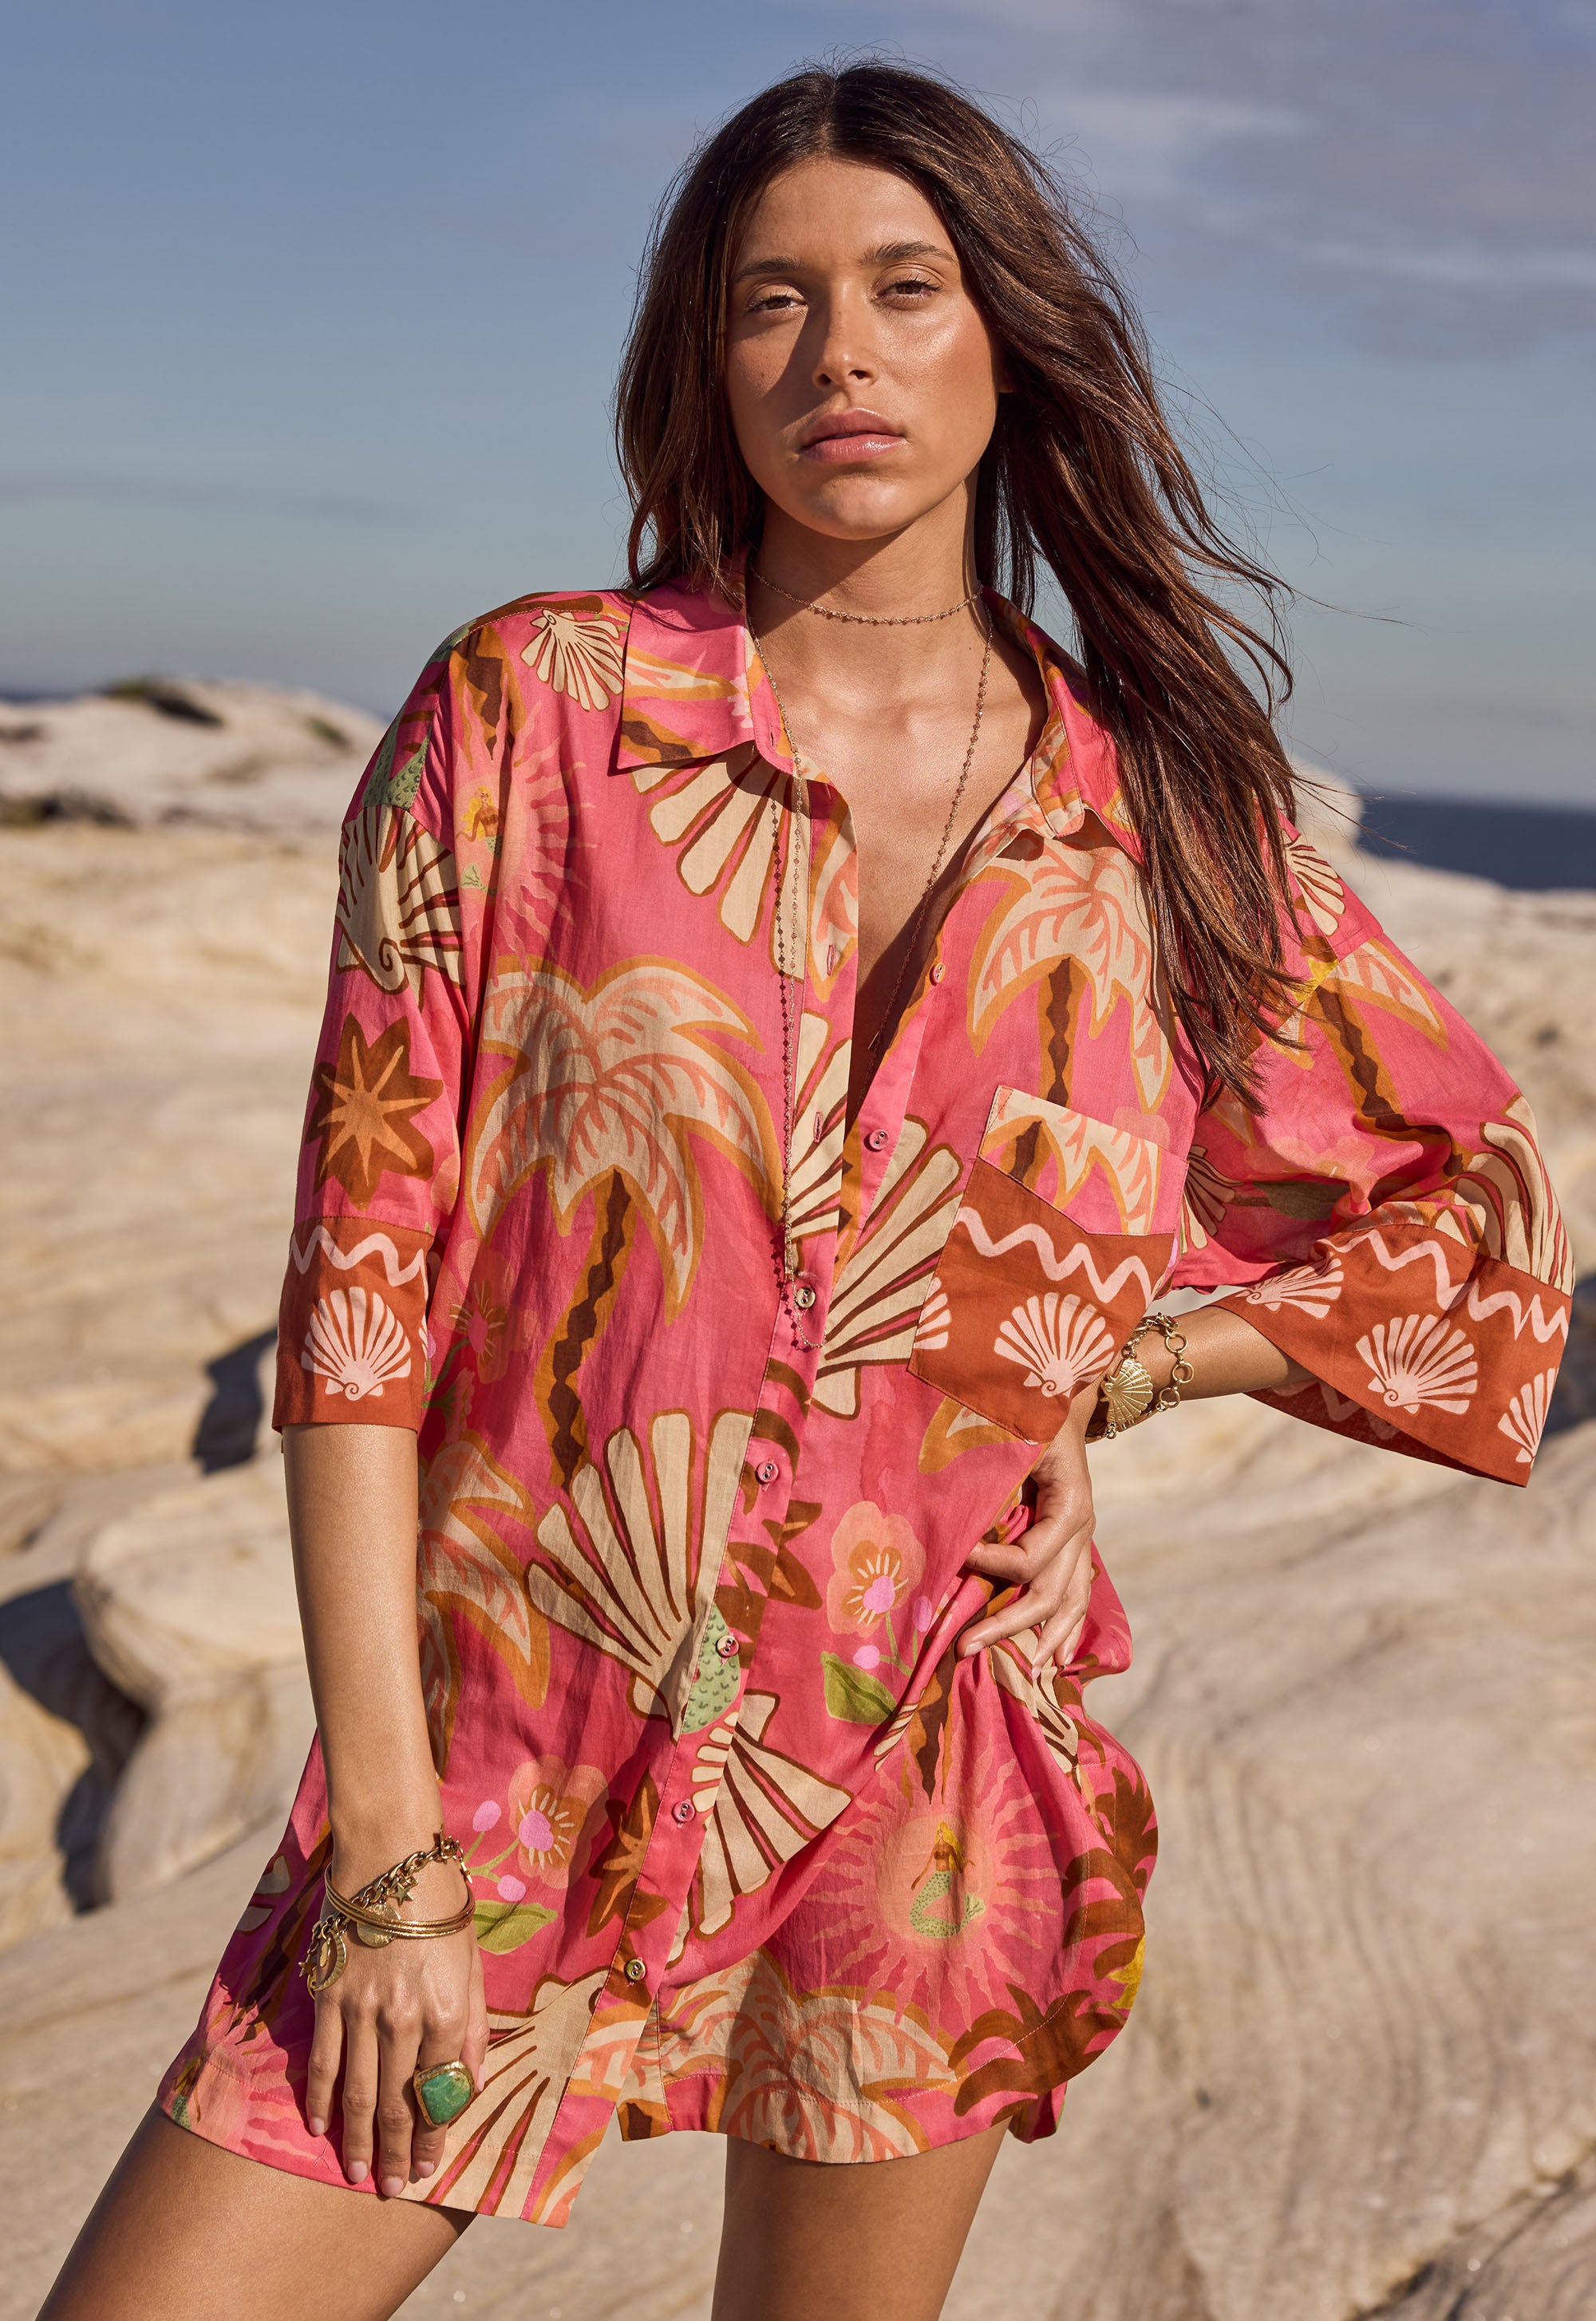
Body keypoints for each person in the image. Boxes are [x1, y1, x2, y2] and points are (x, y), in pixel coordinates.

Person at [43, 58, 1571, 2321]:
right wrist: (383, 1848)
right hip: (504, 1759)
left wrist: (1123, 1376)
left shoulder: (1161, 812)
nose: (838, 353)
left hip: (921, 1761)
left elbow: (1479, 1217)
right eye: (773, 300)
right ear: (708, 358)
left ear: (1008, 343)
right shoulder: (532, 715)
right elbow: (360, 1307)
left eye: (904, 289)